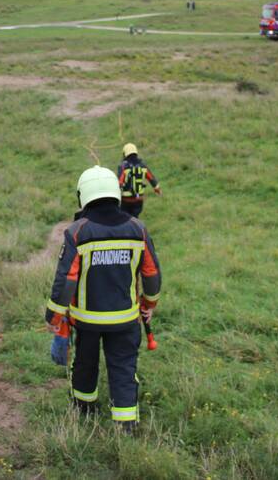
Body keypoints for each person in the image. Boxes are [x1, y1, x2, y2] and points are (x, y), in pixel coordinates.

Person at [45, 166, 162, 430]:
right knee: (123, 369)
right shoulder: (138, 229)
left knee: (85, 365)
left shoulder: (77, 232)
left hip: (86, 322)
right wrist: (149, 304)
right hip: (126, 320)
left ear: (83, 195)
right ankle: (125, 425)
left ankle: (84, 410)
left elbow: (66, 281)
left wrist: (53, 316)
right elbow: (152, 274)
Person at [116, 143, 161, 218]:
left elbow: (119, 182)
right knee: (135, 216)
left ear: (125, 154)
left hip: (126, 200)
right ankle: (136, 227)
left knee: (125, 218)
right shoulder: (143, 165)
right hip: (139, 199)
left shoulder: (123, 166)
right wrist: (157, 189)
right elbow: (151, 178)